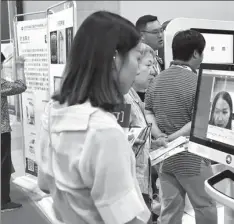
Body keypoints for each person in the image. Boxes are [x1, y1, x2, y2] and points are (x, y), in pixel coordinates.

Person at [35, 11, 150, 224]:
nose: (138, 68)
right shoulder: (104, 131)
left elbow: (44, 182)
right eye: (137, 57)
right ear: (115, 59)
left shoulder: (55, 109)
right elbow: (126, 220)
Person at [145, 29, 217, 224]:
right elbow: (199, 120)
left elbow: (148, 111)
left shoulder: (157, 80)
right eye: (202, 52)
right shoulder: (199, 82)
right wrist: (175, 136)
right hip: (191, 158)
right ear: (195, 53)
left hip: (164, 158)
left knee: (170, 207)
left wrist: (161, 135)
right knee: (205, 206)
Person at [124, 43, 166, 223]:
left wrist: (151, 144)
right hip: (131, 192)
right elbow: (119, 146)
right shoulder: (122, 100)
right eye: (148, 65)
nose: (154, 72)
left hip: (140, 187)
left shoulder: (132, 96)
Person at [1, 53, 26, 211]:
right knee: (3, 167)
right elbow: (21, 86)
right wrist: (20, 67)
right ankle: (3, 202)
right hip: (1, 132)